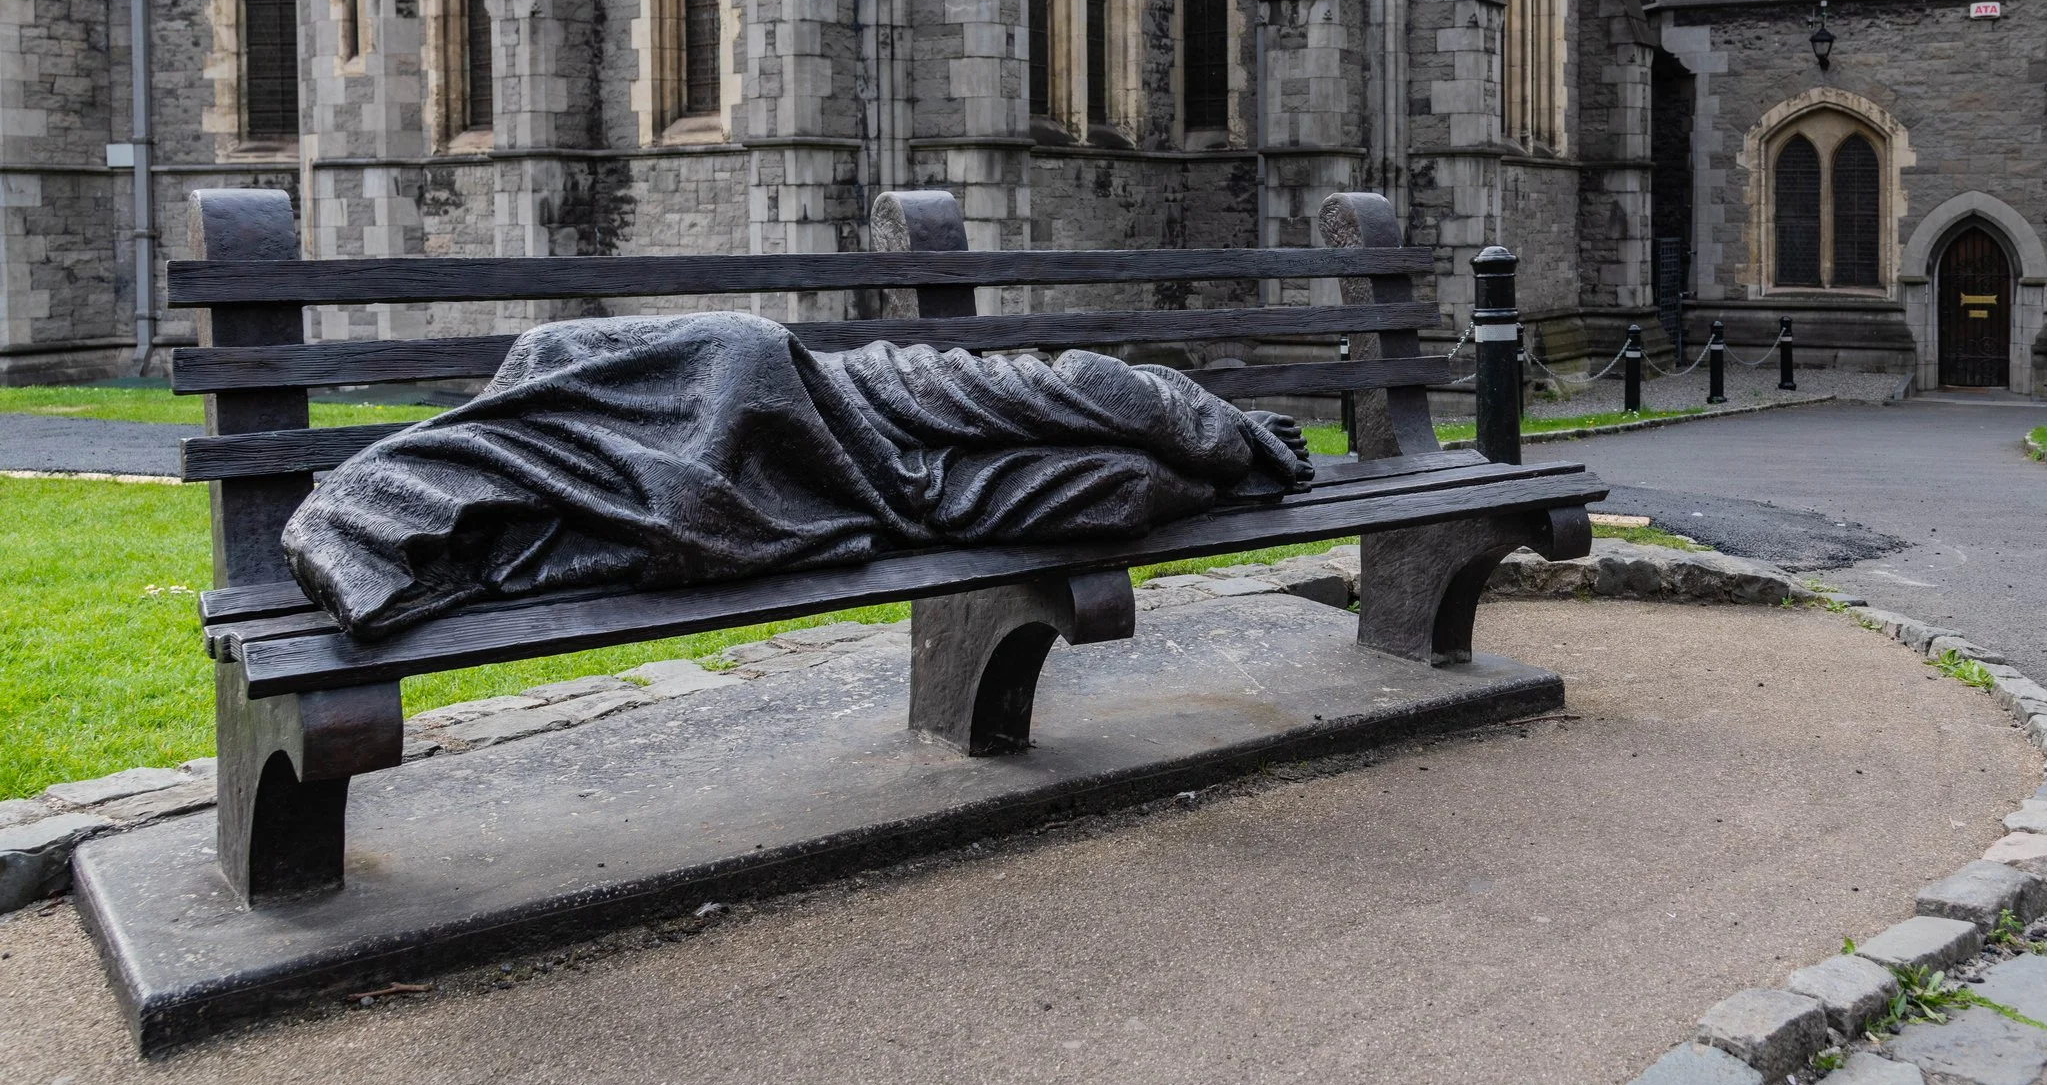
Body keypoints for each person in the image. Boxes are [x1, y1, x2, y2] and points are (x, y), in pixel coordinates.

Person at [283, 312, 1313, 638]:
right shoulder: (537, 530)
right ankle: (1229, 448)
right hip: (884, 497)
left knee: (1103, 401)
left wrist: (1223, 438)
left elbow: (558, 370)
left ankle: (1227, 435)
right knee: (1118, 491)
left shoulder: (532, 428)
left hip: (836, 397)